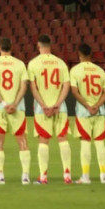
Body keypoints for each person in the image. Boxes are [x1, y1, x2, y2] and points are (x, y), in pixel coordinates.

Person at [27, 34, 72, 184]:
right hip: (60, 107)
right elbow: (66, 85)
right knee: (62, 139)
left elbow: (33, 87)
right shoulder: (61, 63)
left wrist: (44, 105)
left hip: (42, 108)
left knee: (43, 140)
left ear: (38, 46)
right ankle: (67, 175)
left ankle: (43, 176)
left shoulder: (33, 64)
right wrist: (58, 103)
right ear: (50, 46)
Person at [0, 38, 31, 184]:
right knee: (22, 140)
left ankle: (0, 176)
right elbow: (24, 86)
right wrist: (15, 104)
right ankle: (25, 176)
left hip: (0, 108)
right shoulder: (20, 64)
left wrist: (5, 104)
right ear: (11, 47)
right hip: (18, 108)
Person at [68, 43, 105, 184]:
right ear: (91, 54)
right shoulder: (100, 70)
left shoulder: (75, 70)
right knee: (100, 143)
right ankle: (103, 175)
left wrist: (87, 106)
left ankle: (85, 176)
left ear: (79, 54)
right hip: (99, 112)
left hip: (83, 112)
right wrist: (97, 105)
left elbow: (74, 91)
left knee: (85, 143)